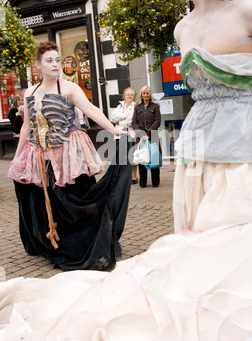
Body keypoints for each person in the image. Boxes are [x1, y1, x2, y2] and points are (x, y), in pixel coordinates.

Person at [1, 0, 252, 341]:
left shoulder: (250, 10)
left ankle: (241, 325)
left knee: (245, 243)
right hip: (200, 147)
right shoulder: (182, 27)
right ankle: (202, 317)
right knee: (200, 244)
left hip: (250, 148)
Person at [7, 41, 132, 272]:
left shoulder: (69, 88)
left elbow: (91, 110)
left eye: (57, 60)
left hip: (68, 156)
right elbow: (26, 127)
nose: (55, 64)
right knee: (49, 204)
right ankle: (55, 244)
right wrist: (17, 159)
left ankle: (84, 243)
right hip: (40, 156)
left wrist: (115, 130)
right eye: (49, 61)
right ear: (38, 65)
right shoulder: (30, 92)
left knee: (77, 201)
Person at [132, 86, 161, 187]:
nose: (146, 95)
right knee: (141, 158)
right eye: (144, 93)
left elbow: (158, 121)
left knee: (154, 158)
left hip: (153, 135)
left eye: (147, 93)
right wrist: (141, 134)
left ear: (150, 94)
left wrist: (148, 134)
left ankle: (155, 182)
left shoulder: (156, 106)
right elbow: (134, 122)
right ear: (141, 94)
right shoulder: (137, 107)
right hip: (140, 137)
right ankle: (143, 183)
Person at [110, 87, 138, 184]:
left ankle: (134, 176)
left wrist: (119, 121)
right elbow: (113, 117)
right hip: (119, 135)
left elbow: (131, 121)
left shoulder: (136, 106)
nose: (129, 96)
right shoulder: (119, 106)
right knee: (122, 157)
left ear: (134, 96)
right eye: (127, 94)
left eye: (131, 94)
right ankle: (123, 176)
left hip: (131, 134)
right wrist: (123, 117)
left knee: (132, 156)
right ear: (124, 96)